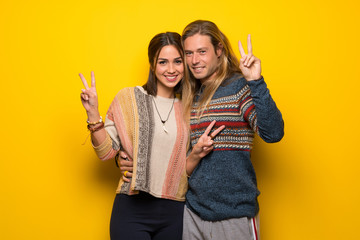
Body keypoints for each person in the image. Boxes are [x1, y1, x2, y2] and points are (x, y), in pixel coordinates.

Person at [79, 32, 193, 240]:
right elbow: (106, 152)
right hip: (133, 209)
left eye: (177, 61)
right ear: (152, 65)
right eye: (163, 62)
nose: (171, 69)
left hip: (175, 211)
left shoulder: (190, 106)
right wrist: (93, 113)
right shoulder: (128, 98)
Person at [181, 20, 285, 240]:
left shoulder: (239, 87)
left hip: (234, 216)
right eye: (189, 53)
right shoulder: (191, 94)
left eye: (202, 51)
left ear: (219, 50)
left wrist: (255, 81)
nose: (194, 60)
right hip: (193, 214)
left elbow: (273, 133)